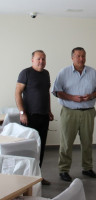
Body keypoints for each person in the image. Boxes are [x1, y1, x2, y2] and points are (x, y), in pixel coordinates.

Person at [52, 47, 96, 182]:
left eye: (83, 56)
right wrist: (71, 97)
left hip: (87, 113)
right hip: (69, 112)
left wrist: (92, 95)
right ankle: (63, 170)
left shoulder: (93, 72)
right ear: (72, 57)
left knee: (87, 142)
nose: (81, 59)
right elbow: (56, 91)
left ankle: (87, 168)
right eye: (78, 56)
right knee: (66, 143)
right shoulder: (64, 72)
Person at [15, 50, 54, 185]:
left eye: (43, 59)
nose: (41, 61)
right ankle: (27, 179)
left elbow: (46, 93)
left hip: (43, 117)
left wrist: (49, 110)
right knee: (30, 148)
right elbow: (17, 93)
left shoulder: (46, 74)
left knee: (41, 148)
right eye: (38, 59)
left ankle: (38, 177)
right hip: (29, 117)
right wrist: (22, 113)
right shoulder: (25, 73)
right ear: (32, 60)